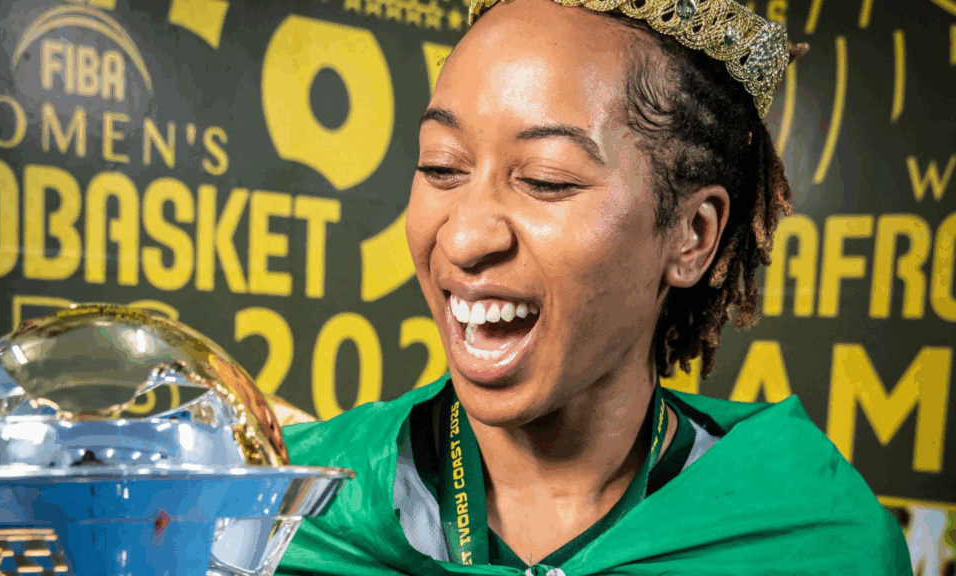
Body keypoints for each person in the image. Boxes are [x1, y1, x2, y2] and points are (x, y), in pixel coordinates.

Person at [276, 0, 912, 573]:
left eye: (546, 180)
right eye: (441, 166)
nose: (464, 238)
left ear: (692, 235)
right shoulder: (287, 506)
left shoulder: (817, 542)